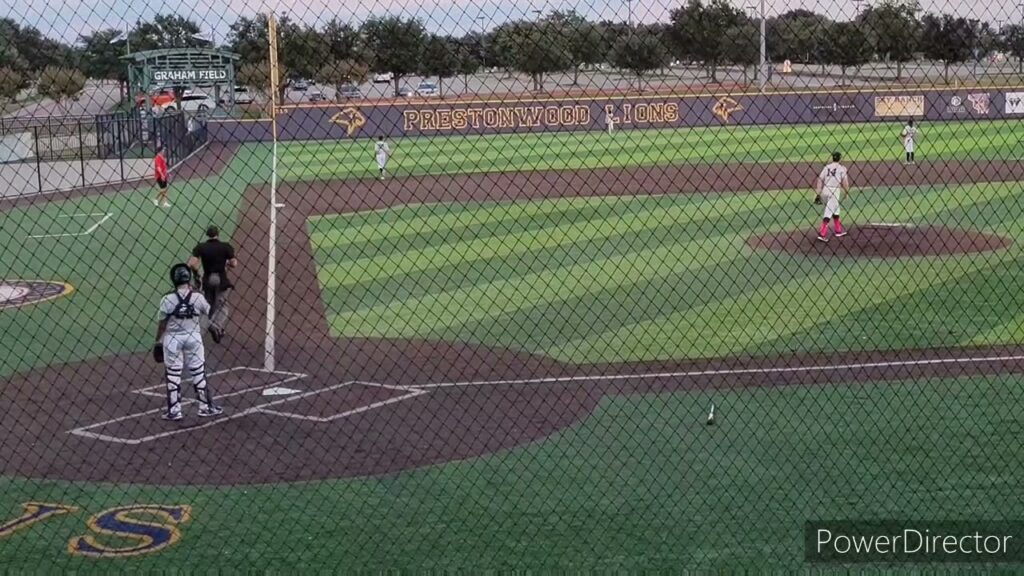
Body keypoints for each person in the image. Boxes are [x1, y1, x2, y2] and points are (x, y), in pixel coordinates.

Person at [155, 263, 222, 421]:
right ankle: (205, 407)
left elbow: (162, 324)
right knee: (198, 372)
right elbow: (209, 311)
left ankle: (174, 411)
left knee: (172, 374)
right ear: (188, 278)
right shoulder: (197, 297)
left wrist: (158, 342)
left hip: (172, 339)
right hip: (193, 337)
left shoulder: (167, 299)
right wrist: (199, 293)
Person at [188, 226, 237, 344]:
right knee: (222, 306)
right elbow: (234, 264)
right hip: (221, 280)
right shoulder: (225, 246)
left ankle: (204, 327)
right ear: (217, 234)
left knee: (208, 305)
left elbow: (191, 263)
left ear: (207, 234)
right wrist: (227, 264)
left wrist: (197, 274)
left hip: (207, 280)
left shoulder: (201, 247)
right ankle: (216, 325)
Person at [815, 152, 850, 243]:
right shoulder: (842, 168)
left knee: (835, 209)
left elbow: (819, 179)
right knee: (829, 212)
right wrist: (846, 193)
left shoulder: (827, 167)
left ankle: (838, 231)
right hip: (834, 191)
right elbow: (845, 183)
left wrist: (818, 193)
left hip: (825, 190)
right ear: (840, 158)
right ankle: (822, 234)